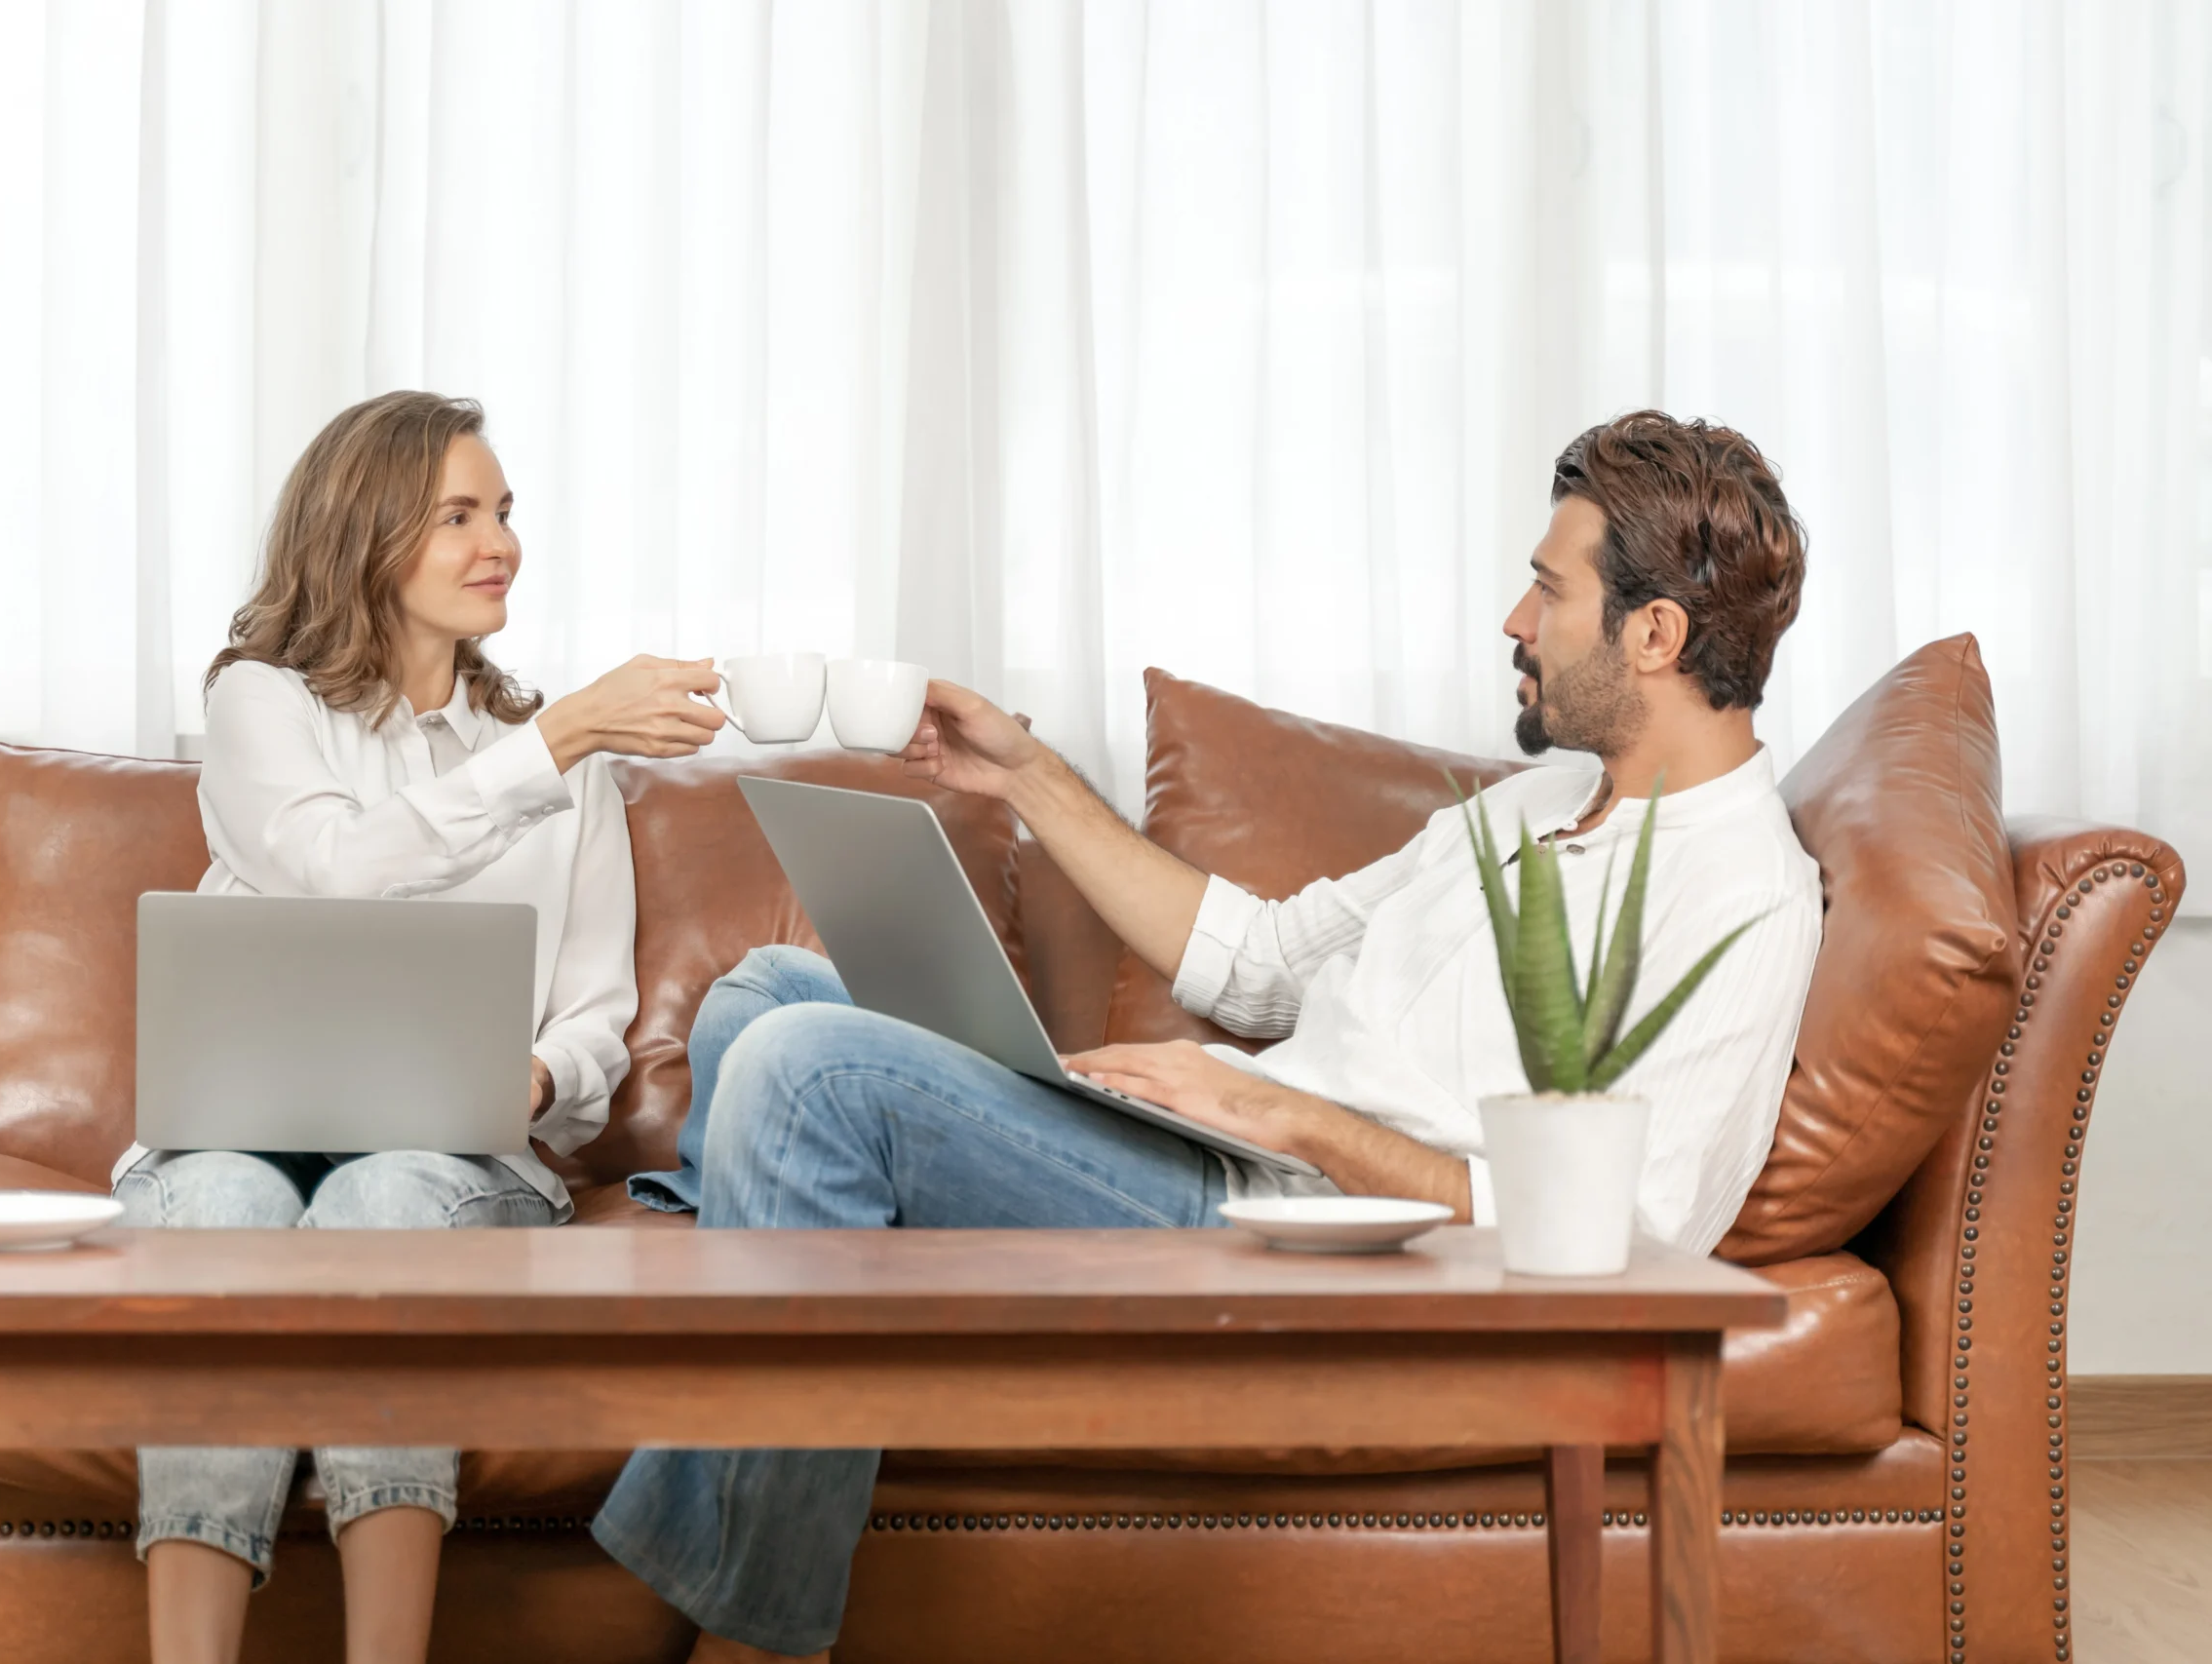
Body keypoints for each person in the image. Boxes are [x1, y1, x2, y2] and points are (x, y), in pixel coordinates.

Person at [597, 409, 1827, 1663]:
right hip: (1230, 1152)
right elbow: (1262, 964)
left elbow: (1644, 1228)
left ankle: (749, 1637)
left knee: (809, 1074)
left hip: (1311, 1236)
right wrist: (1025, 775)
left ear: (1654, 633)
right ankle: (809, 1284)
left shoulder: (1741, 888)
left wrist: (1287, 1116)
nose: (1516, 620)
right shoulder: (1538, 803)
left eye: (1546, 589)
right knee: (766, 992)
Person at [112, 390, 724, 1664]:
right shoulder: (262, 703)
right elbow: (339, 870)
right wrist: (550, 743)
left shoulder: (563, 753)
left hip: (457, 1164)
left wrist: (542, 1072)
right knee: (223, 1210)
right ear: (364, 530)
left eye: (502, 511)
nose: (496, 539)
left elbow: (600, 1013)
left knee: (382, 1201)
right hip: (236, 1136)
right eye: (456, 514)